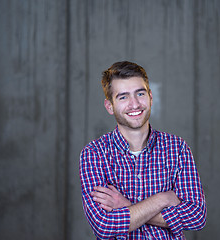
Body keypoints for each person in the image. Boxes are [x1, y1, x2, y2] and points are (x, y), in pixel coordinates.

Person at [80, 61, 206, 239]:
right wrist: (162, 199)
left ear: (151, 97)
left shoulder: (177, 148)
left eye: (140, 93)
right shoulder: (94, 154)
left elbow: (197, 217)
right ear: (110, 106)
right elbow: (104, 226)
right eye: (123, 97)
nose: (134, 104)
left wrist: (126, 205)